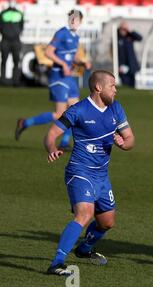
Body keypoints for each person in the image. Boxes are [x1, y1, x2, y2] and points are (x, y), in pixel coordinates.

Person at [44, 70, 135, 276]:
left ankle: (84, 249)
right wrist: (52, 149)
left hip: (102, 175)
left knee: (107, 222)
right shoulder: (78, 110)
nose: (116, 90)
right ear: (98, 87)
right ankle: (57, 263)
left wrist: (123, 143)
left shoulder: (116, 108)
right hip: (79, 171)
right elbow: (51, 134)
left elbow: (130, 139)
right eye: (112, 85)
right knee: (85, 214)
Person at [15, 9, 91, 150]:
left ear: (80, 22)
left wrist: (82, 62)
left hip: (68, 78)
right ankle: (24, 123)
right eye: (72, 19)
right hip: (57, 76)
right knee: (59, 114)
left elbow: (71, 57)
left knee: (74, 112)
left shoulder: (75, 38)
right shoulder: (61, 33)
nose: (74, 22)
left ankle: (64, 142)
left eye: (77, 20)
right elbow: (48, 51)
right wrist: (62, 64)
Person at [0, 0, 24, 86]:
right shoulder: (3, 13)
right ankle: (2, 81)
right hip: (5, 40)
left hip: (16, 41)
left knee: (16, 61)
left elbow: (21, 27)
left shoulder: (19, 14)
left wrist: (15, 34)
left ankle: (16, 81)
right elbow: (1, 26)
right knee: (3, 61)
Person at [117, 21, 142, 88]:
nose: (123, 31)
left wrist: (129, 31)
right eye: (122, 29)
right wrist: (118, 65)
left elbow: (140, 38)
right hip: (122, 66)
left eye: (125, 29)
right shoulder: (117, 37)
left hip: (131, 65)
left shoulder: (130, 36)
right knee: (125, 84)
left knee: (132, 85)